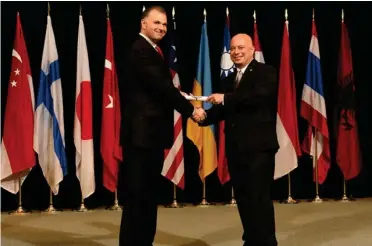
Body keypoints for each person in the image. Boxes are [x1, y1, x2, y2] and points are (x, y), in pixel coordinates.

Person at [119, 6, 205, 246]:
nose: (161, 28)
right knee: (139, 198)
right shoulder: (140, 50)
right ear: (143, 23)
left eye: (165, 25)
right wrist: (192, 111)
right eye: (156, 23)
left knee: (147, 197)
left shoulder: (153, 50)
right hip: (141, 137)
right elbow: (162, 88)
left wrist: (185, 99)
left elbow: (162, 90)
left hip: (150, 136)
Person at [199, 33, 279, 246]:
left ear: (252, 50)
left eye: (241, 48)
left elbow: (257, 98)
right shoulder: (228, 79)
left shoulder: (266, 72)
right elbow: (223, 111)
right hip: (236, 149)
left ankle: (266, 242)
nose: (236, 52)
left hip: (259, 148)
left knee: (259, 198)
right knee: (243, 198)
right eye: (233, 48)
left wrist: (225, 98)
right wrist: (202, 116)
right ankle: (251, 239)